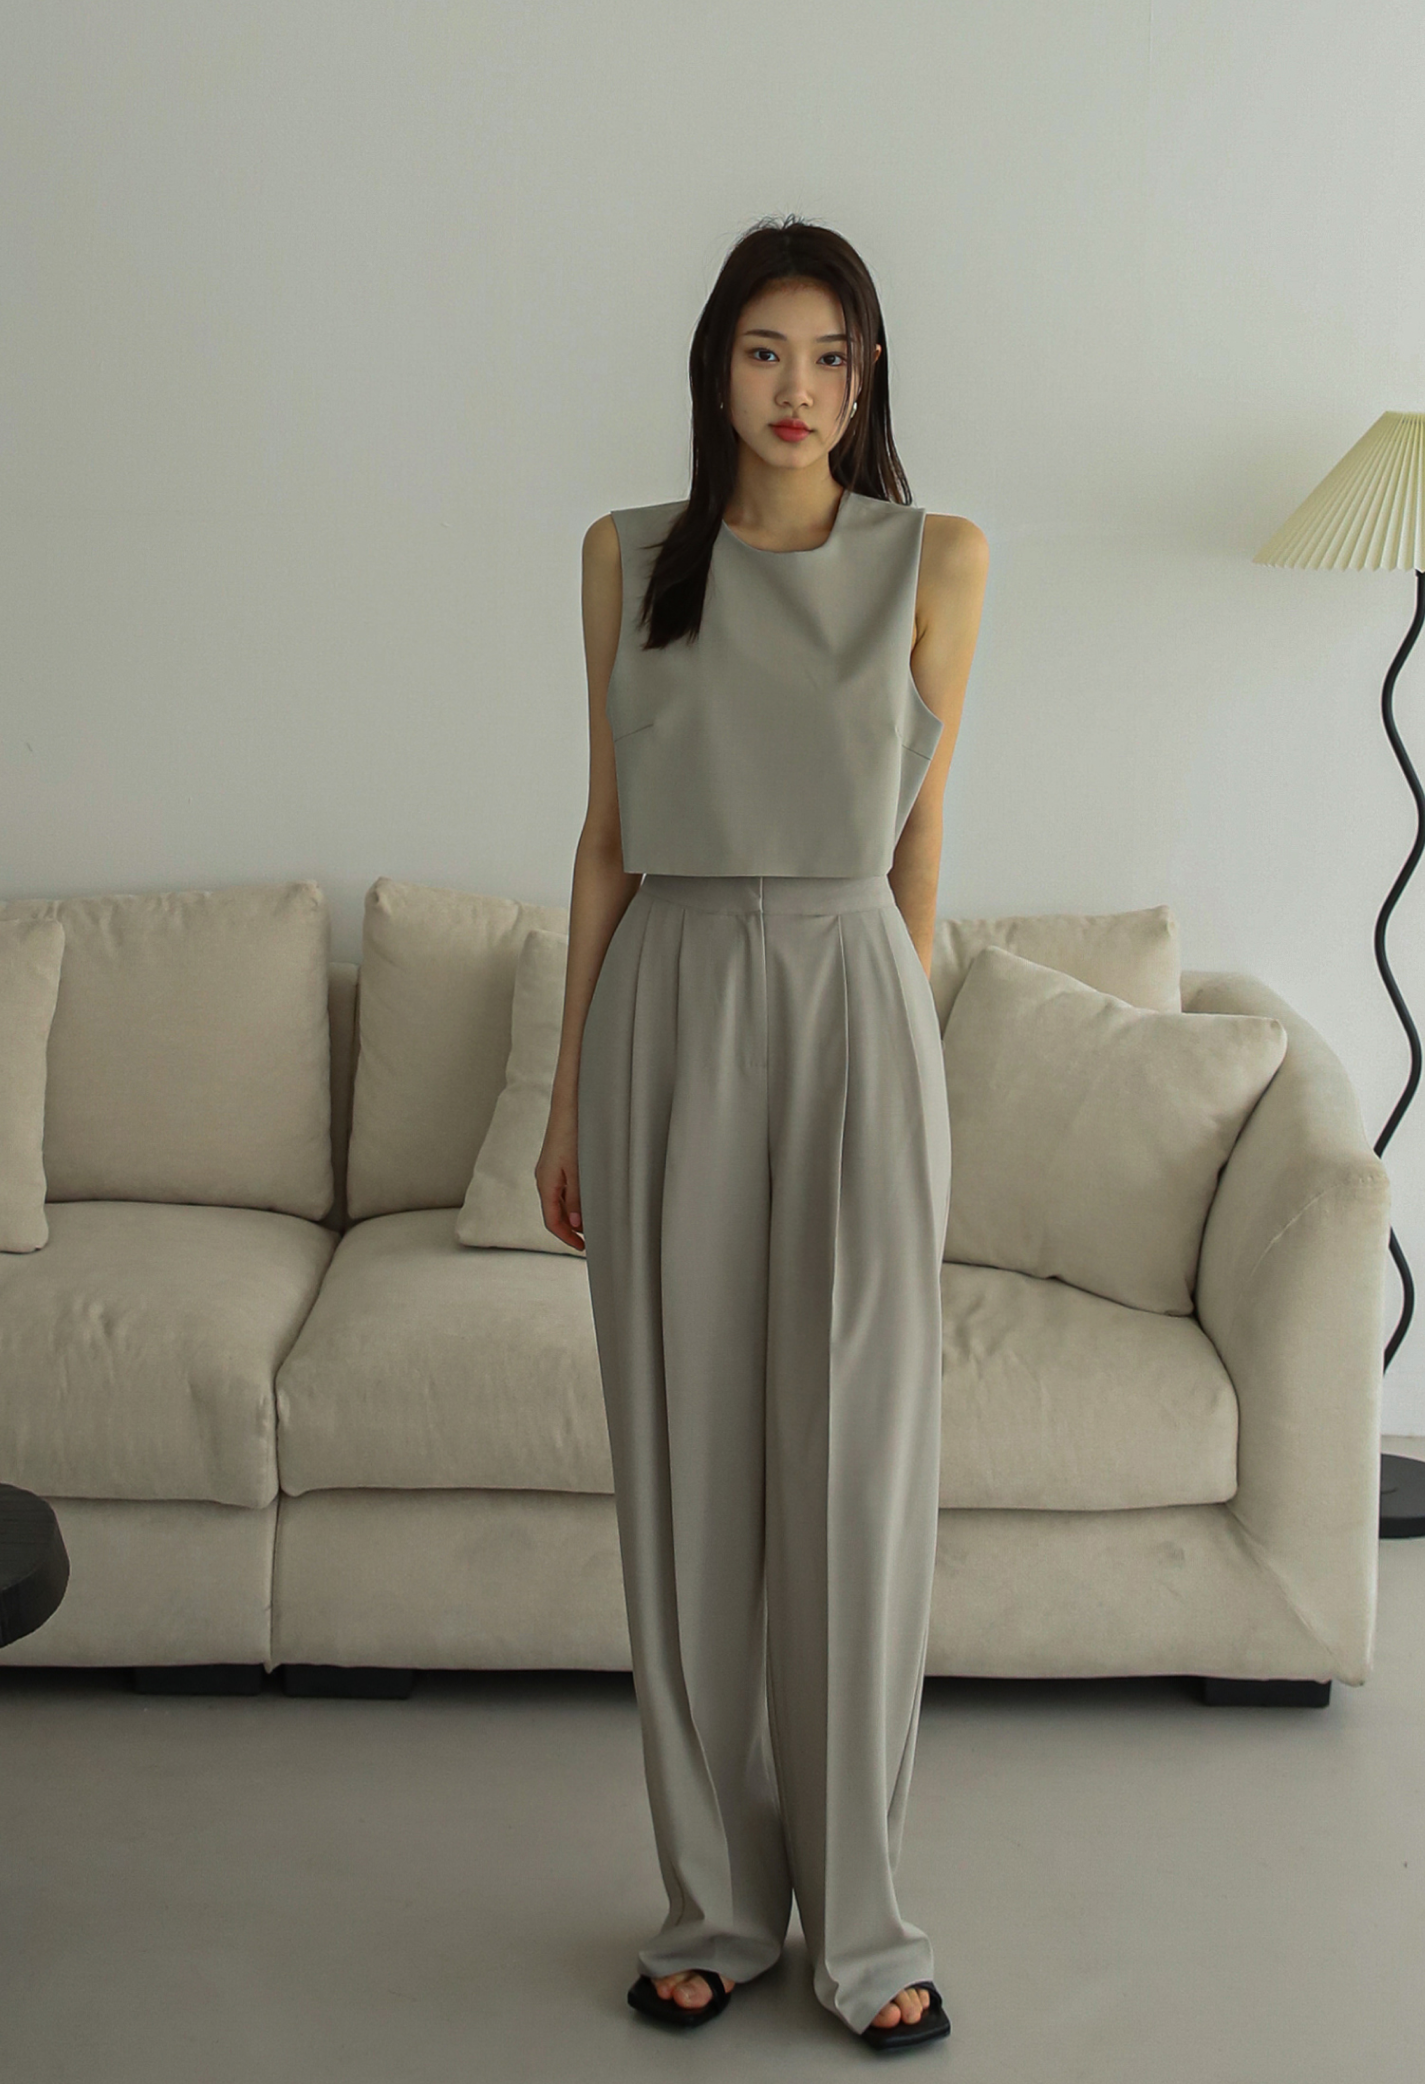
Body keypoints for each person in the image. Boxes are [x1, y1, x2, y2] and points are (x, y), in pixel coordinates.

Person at [536, 216, 988, 2051]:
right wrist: (566, 1095)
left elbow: (920, 860)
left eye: (835, 359)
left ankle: (865, 1930)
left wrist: (908, 1068)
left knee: (856, 1484)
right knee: (686, 1477)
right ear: (712, 368)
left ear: (866, 382)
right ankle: (716, 1904)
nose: (799, 393)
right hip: (667, 1005)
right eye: (764, 354)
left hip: (852, 1004)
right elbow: (600, 841)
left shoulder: (935, 560)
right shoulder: (626, 559)